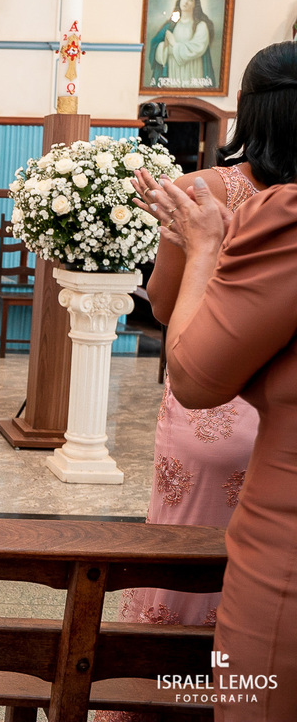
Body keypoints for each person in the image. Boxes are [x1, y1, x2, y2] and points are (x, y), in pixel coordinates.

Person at [95, 41, 297, 722]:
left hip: (214, 400)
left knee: (188, 559)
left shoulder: (203, 191)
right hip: (276, 426)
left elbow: (165, 301)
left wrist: (197, 247)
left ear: (249, 108)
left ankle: (161, 697)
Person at [149, 0, 216, 91]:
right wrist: (164, 47)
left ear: (195, 5)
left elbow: (197, 48)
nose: (186, 1)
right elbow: (156, 46)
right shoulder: (171, 25)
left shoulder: (201, 26)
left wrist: (174, 44)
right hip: (173, 72)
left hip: (193, 72)